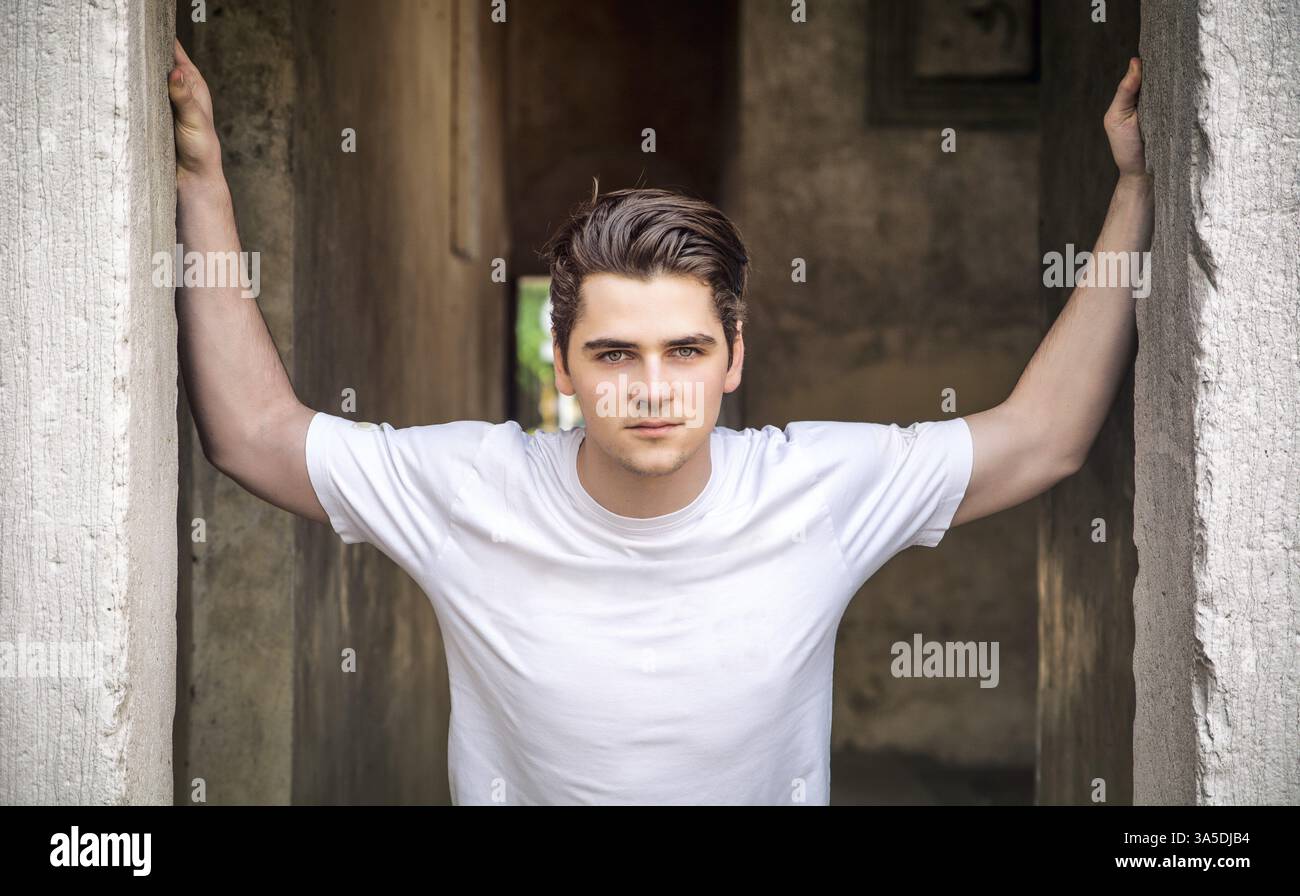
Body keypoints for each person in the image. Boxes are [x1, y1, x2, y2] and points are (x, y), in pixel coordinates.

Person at [168, 38, 1153, 805]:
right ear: (560, 362)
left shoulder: (817, 486)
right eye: (613, 353)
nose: (651, 385)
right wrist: (205, 184)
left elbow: (1044, 433)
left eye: (684, 349)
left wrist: (1135, 191)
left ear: (734, 357)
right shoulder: (472, 487)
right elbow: (254, 434)